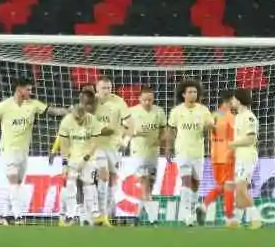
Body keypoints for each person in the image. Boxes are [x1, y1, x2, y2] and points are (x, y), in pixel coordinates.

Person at [0, 78, 48, 225]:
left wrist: (70, 110)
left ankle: (3, 215)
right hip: (8, 150)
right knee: (13, 180)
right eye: (28, 89)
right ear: (19, 89)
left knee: (16, 184)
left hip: (23, 151)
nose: (30, 92)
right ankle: (18, 216)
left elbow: (51, 110)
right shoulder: (3, 106)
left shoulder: (33, 105)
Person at [164, 80, 214, 226]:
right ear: (183, 94)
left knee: (196, 184)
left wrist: (209, 128)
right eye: (190, 92)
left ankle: (192, 210)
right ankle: (187, 214)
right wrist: (168, 148)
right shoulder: (176, 111)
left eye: (195, 92)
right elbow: (171, 130)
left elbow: (209, 129)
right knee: (186, 180)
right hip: (182, 151)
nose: (193, 94)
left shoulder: (203, 110)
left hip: (198, 152)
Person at [49, 88, 99, 226]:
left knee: (89, 186)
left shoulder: (93, 121)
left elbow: (95, 143)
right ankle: (69, 216)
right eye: (76, 118)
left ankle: (89, 217)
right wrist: (64, 163)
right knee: (69, 185)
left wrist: (86, 158)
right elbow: (64, 144)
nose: (78, 121)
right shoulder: (66, 121)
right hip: (72, 159)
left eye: (81, 119)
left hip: (88, 159)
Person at [121, 86, 167, 223]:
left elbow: (163, 130)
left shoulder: (159, 112)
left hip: (153, 153)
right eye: (145, 100)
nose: (147, 102)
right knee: (145, 183)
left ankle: (137, 215)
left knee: (149, 187)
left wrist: (160, 141)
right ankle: (153, 219)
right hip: (138, 153)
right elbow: (123, 131)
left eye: (150, 100)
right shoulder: (132, 112)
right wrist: (133, 133)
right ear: (139, 99)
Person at [90, 77, 129, 226]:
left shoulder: (119, 102)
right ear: (97, 89)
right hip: (97, 146)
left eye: (108, 88)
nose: (106, 91)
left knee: (112, 180)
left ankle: (109, 213)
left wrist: (125, 141)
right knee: (104, 176)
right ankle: (102, 214)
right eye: (103, 88)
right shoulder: (91, 103)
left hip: (114, 147)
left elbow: (130, 125)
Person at [226, 89, 261, 229]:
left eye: (233, 99)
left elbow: (251, 138)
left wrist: (232, 144)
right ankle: (236, 220)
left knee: (241, 188)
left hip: (247, 155)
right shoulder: (238, 117)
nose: (231, 101)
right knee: (239, 189)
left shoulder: (248, 117)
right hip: (240, 156)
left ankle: (256, 218)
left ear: (239, 100)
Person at [206, 93, 236, 224]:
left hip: (215, 156)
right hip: (227, 156)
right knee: (228, 186)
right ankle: (229, 217)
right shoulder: (231, 117)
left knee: (222, 187)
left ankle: (203, 206)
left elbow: (209, 134)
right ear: (229, 101)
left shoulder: (213, 115)